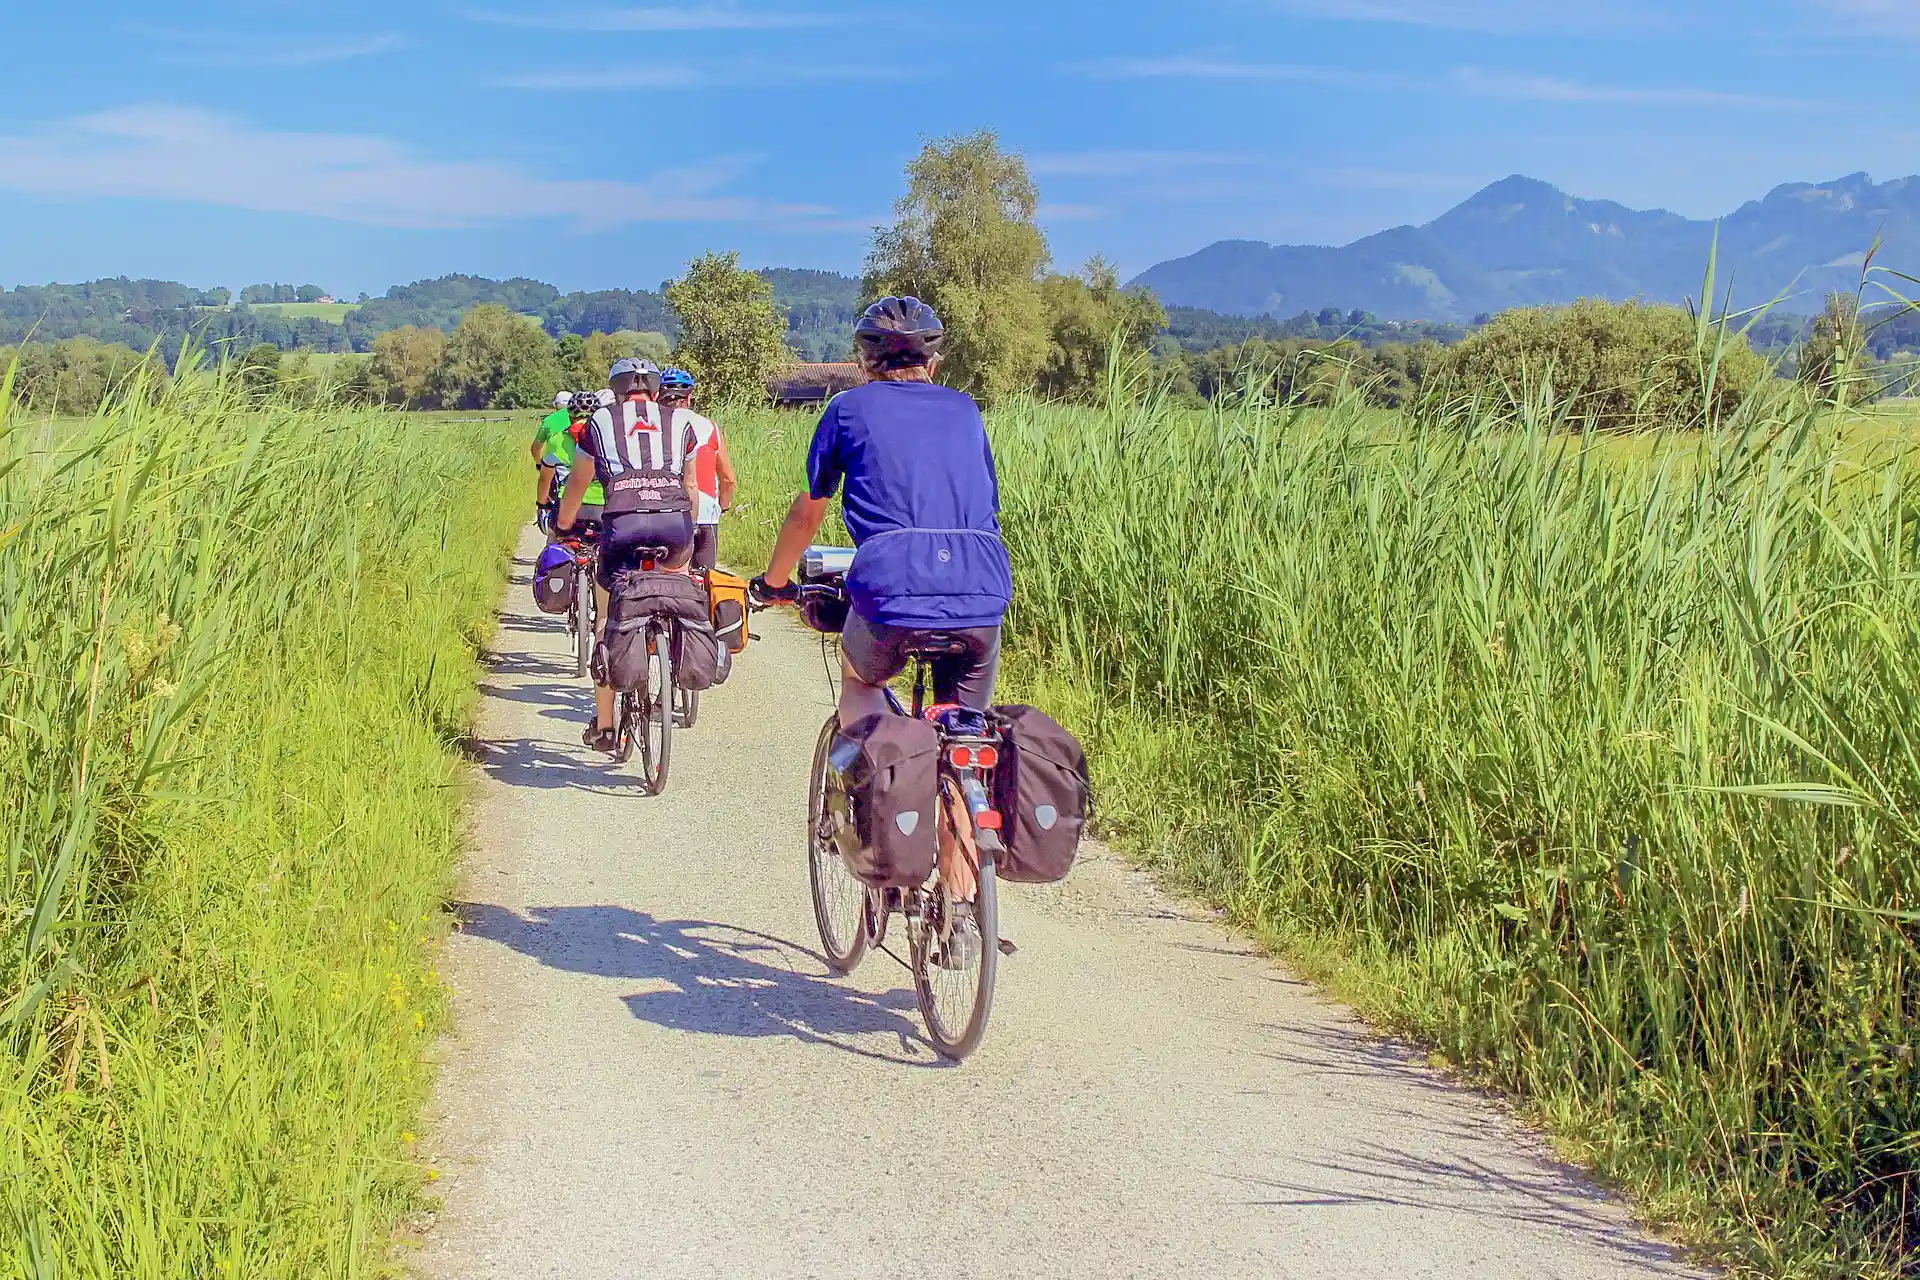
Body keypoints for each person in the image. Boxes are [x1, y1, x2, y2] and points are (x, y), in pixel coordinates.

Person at [751, 297, 1012, 895]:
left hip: (891, 589)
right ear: (932, 360)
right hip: (980, 589)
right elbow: (984, 504)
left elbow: (808, 512)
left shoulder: (847, 409)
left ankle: (872, 820)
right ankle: (959, 911)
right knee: (963, 731)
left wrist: (773, 583)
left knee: (860, 679)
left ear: (865, 361)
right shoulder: (966, 409)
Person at [557, 357, 700, 751]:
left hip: (622, 527)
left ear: (616, 391)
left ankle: (605, 726)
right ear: (656, 391)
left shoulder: (598, 423)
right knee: (676, 590)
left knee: (606, 618)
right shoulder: (680, 422)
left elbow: (577, 484)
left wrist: (564, 525)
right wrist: (690, 531)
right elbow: (690, 487)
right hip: (675, 526)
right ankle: (672, 656)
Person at [659, 367, 736, 573]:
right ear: (689, 398)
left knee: (660, 578)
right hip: (704, 512)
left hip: (664, 513)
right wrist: (722, 507)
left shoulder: (653, 428)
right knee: (706, 578)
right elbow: (728, 479)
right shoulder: (710, 427)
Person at [536, 391, 608, 535]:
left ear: (569, 417)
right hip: (603, 507)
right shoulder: (608, 437)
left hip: (567, 507)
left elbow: (545, 477)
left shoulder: (557, 439)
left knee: (555, 540)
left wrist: (541, 504)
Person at [531, 390, 575, 520]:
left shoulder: (549, 421)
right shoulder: (581, 419)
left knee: (548, 490)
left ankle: (546, 512)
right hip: (582, 465)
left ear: (556, 405)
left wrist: (539, 464)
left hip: (555, 465)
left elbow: (535, 449)